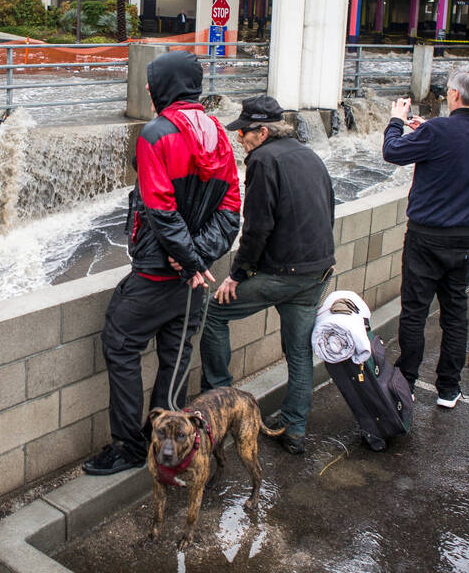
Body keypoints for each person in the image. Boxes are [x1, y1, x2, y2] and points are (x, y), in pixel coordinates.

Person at [83, 50, 241, 475]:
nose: (149, 92)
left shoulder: (155, 134)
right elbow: (231, 211)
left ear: (166, 87)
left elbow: (159, 208)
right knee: (176, 353)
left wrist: (186, 260)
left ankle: (130, 447)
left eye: (152, 85)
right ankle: (167, 446)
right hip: (192, 282)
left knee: (120, 343)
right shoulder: (219, 133)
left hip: (158, 274)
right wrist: (199, 260)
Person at [198, 95, 335, 454]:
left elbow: (257, 227)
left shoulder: (262, 160)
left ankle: (222, 401)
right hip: (316, 270)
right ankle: (294, 429)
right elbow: (328, 208)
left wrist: (236, 276)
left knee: (215, 313)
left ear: (261, 132)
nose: (238, 139)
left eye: (242, 132)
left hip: (283, 273)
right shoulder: (309, 154)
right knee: (299, 351)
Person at [382, 65, 469, 408]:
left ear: (455, 95)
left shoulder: (438, 130)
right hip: (464, 239)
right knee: (454, 312)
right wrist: (426, 131)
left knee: (415, 312)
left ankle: (407, 382)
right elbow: (460, 151)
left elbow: (393, 152)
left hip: (426, 237)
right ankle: (449, 388)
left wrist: (397, 121)